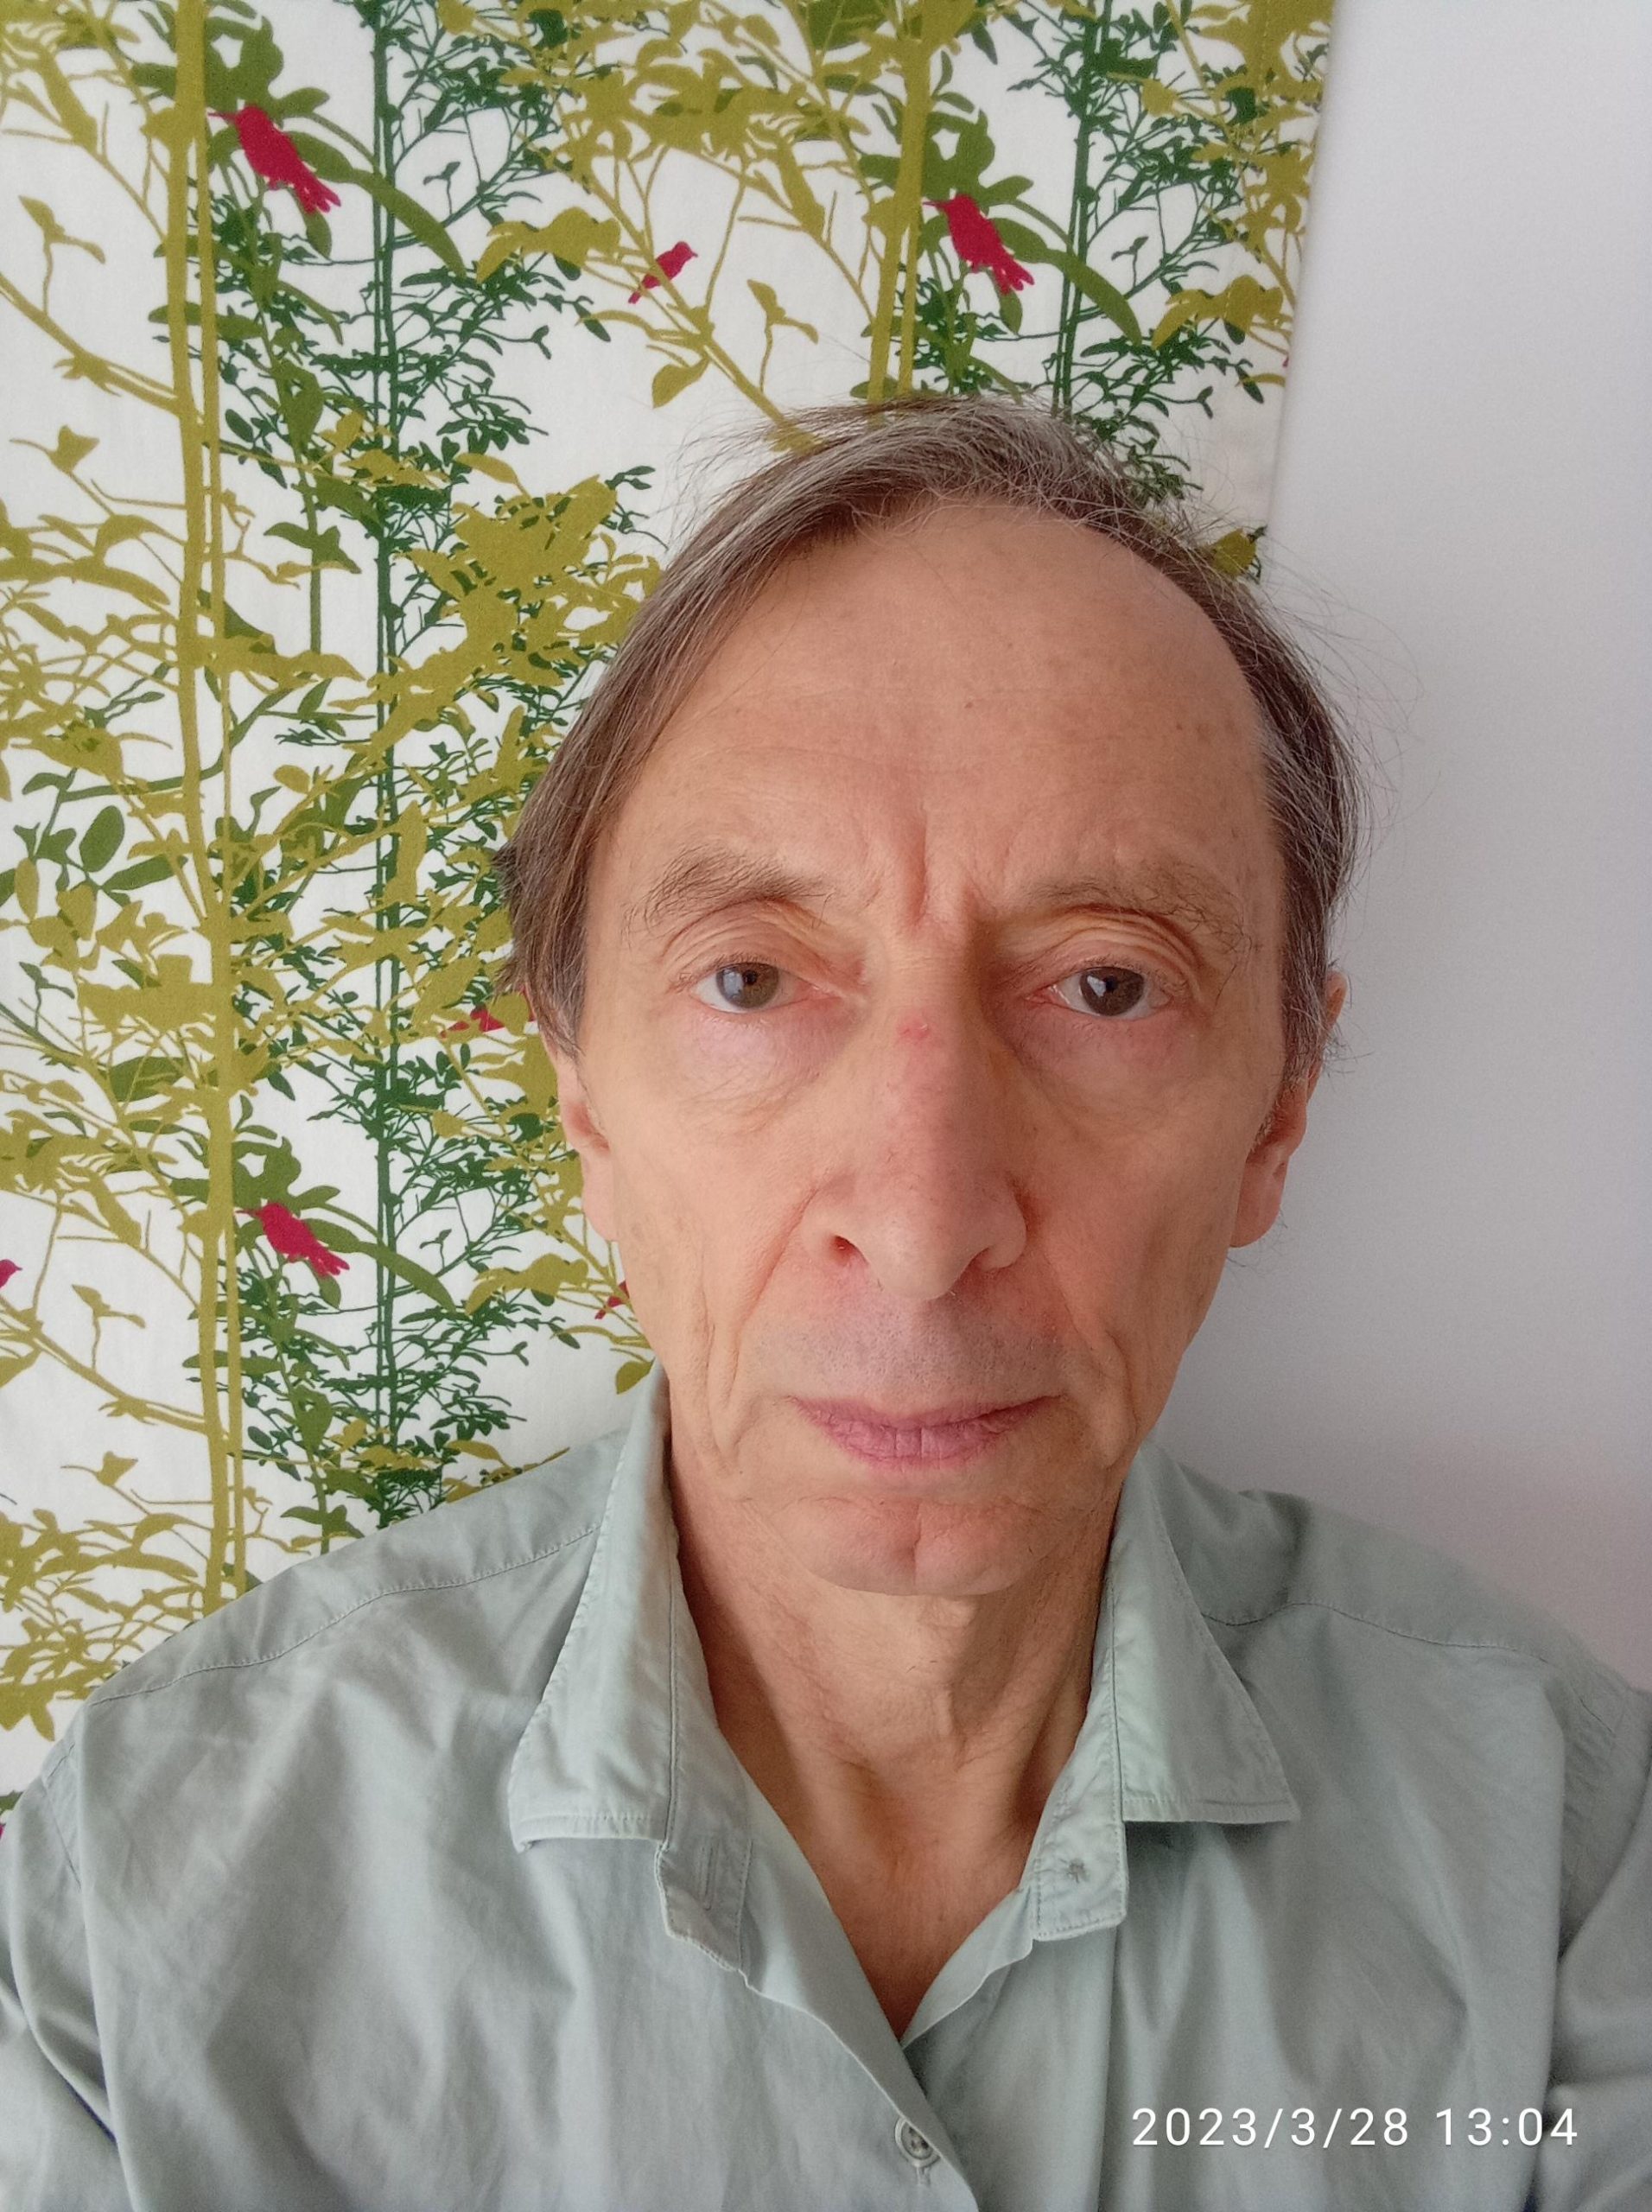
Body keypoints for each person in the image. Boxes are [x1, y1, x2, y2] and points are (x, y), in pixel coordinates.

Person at [1, 393, 1647, 2211]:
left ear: (1278, 1111)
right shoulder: (141, 1899)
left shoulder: (1568, 1862)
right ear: (584, 1108)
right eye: (752, 980)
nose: (924, 1220)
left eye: (1105, 985)